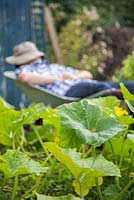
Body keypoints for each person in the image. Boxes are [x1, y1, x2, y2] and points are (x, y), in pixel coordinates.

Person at [5, 41, 134, 98]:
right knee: (102, 88)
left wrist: (74, 77)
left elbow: (87, 74)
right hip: (69, 92)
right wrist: (58, 79)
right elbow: (25, 78)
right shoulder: (24, 70)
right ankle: (113, 93)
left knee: (128, 86)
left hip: (84, 84)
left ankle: (115, 92)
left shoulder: (53, 67)